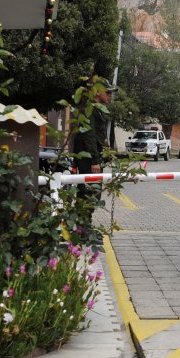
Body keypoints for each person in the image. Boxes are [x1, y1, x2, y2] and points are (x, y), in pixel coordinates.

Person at [70, 86, 112, 243]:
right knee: (88, 192)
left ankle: (84, 226)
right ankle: (83, 231)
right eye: (107, 92)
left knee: (92, 193)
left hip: (93, 159)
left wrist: (107, 153)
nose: (110, 95)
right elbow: (89, 136)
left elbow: (99, 135)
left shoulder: (97, 109)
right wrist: (95, 160)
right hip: (88, 160)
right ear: (97, 92)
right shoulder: (89, 109)